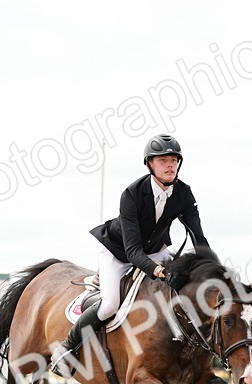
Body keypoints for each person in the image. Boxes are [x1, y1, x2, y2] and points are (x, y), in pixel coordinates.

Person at [59, 134, 211, 361]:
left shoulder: (184, 193)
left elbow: (199, 239)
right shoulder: (132, 194)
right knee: (109, 305)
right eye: (163, 160)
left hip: (156, 250)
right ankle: (67, 346)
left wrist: (211, 269)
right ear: (150, 164)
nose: (170, 165)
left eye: (174, 160)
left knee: (180, 288)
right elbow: (133, 252)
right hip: (119, 252)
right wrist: (160, 271)